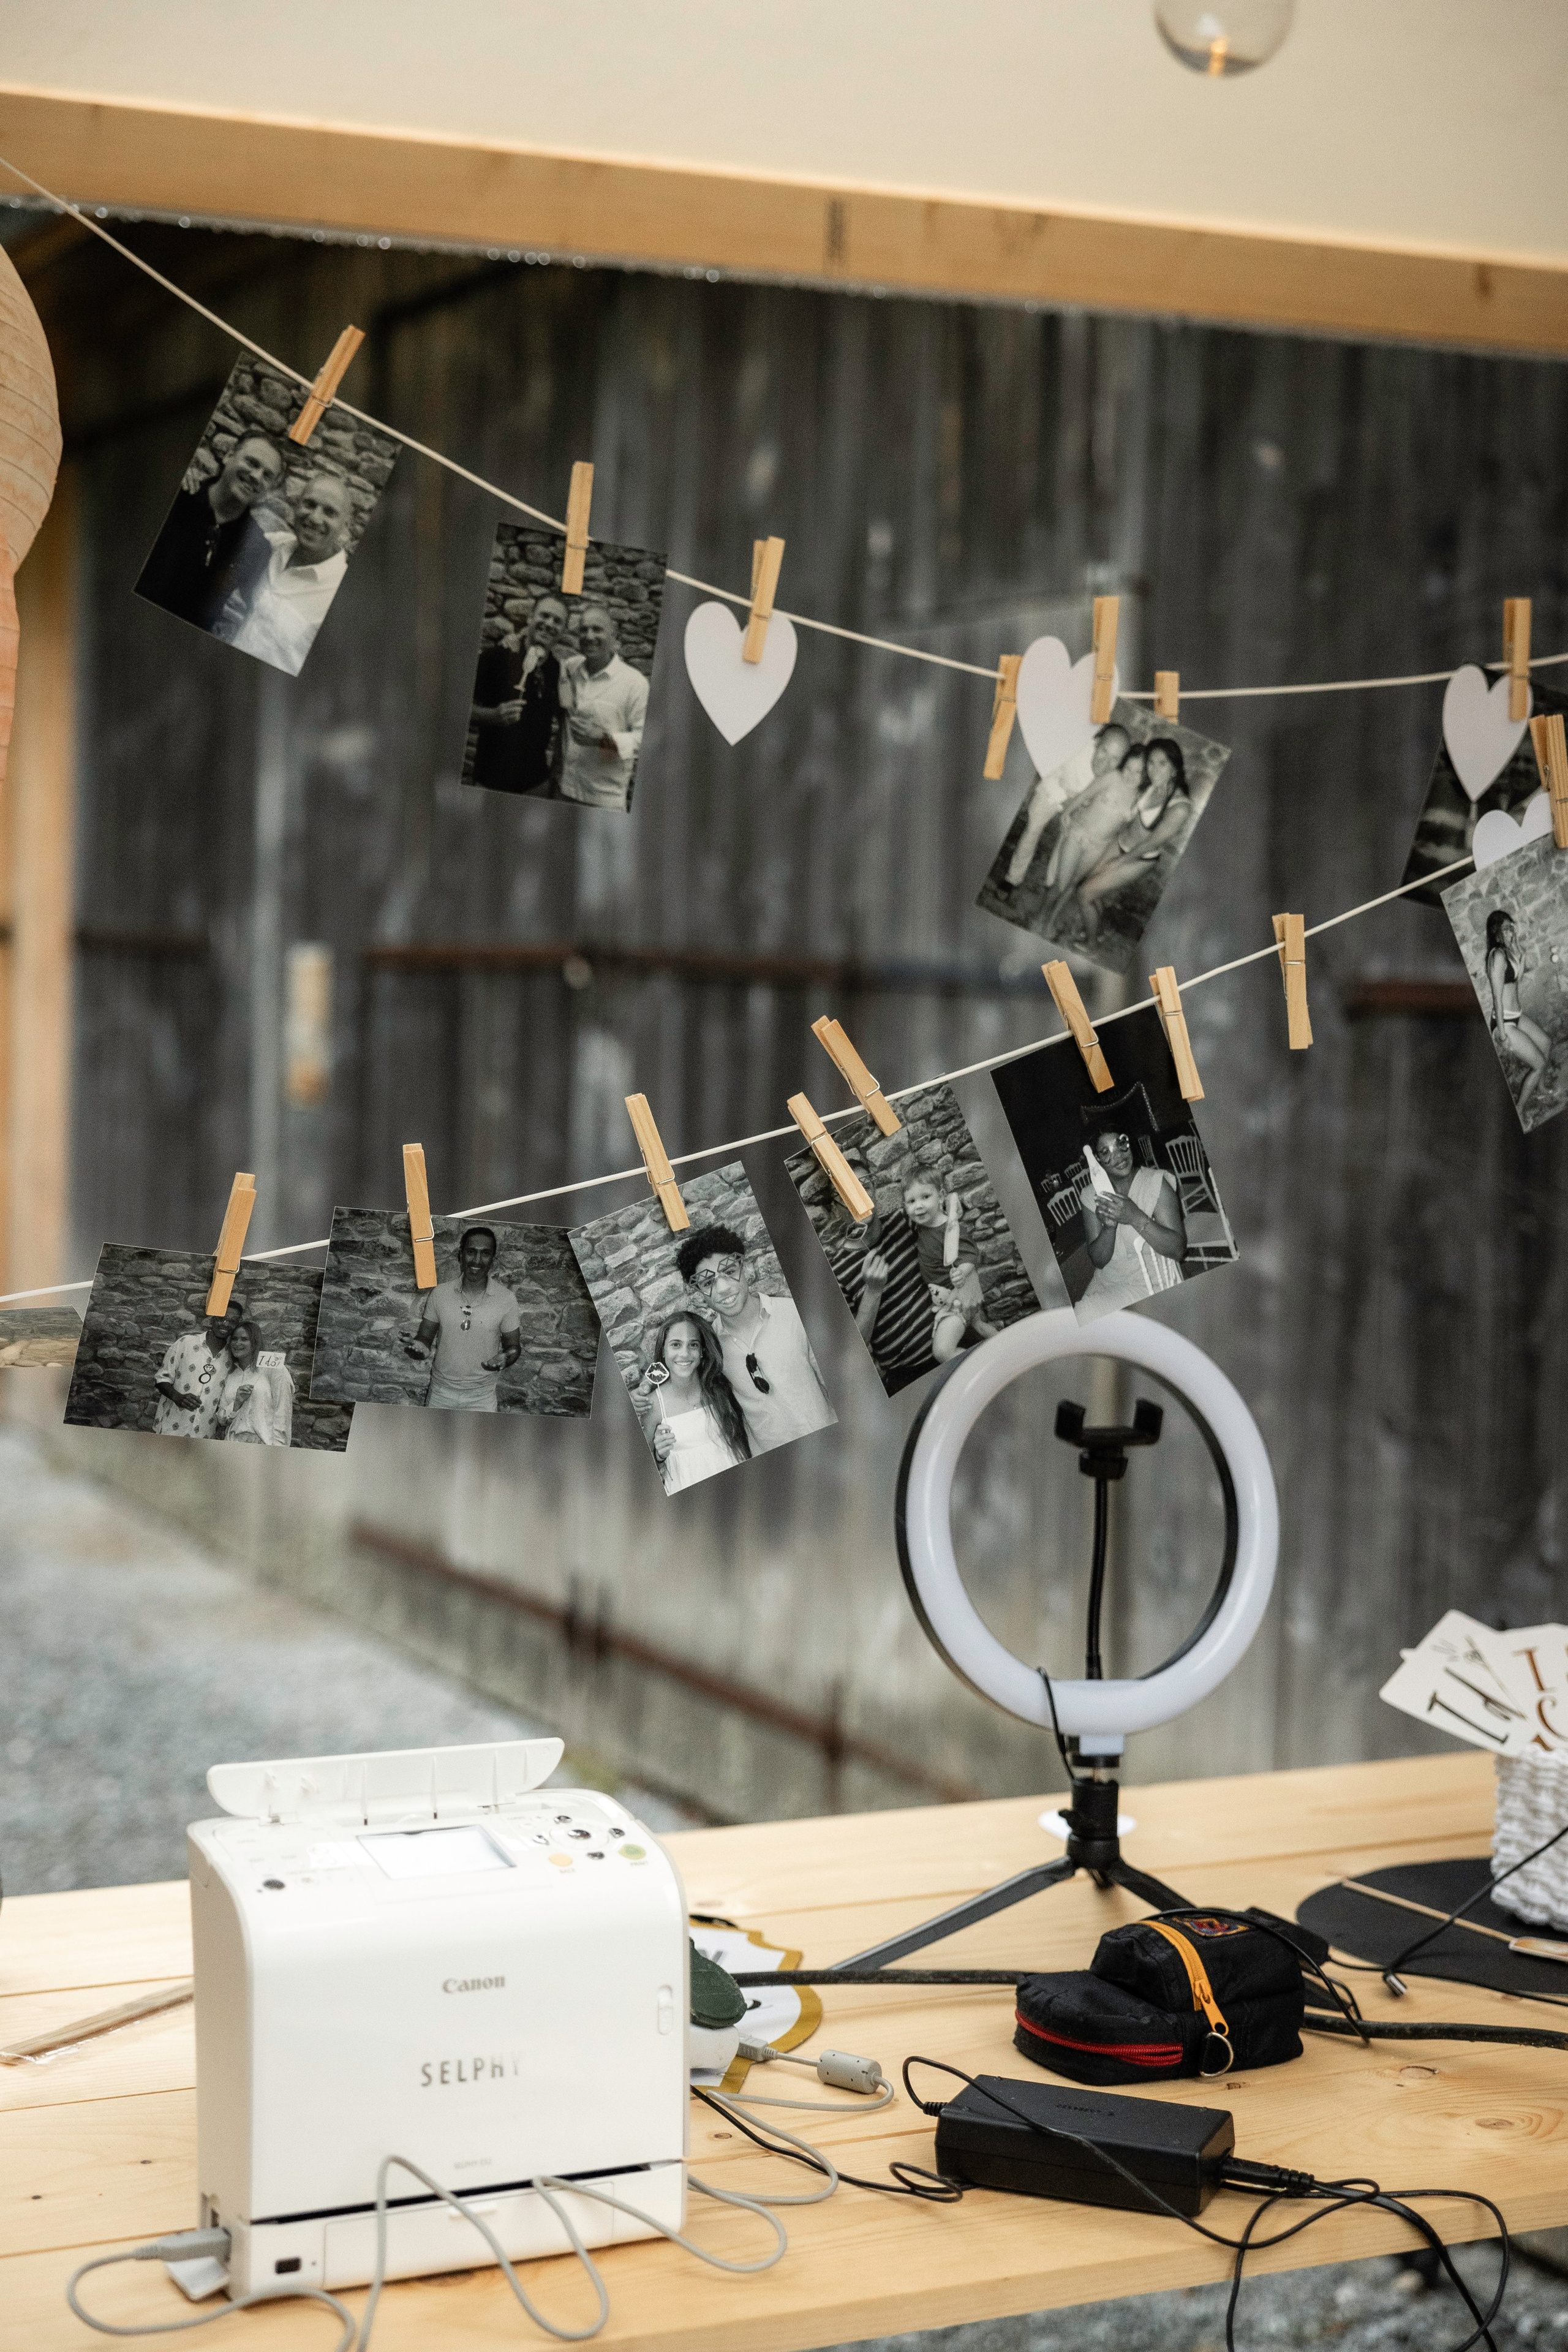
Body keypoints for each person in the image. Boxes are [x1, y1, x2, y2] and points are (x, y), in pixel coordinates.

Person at [674, 1224, 834, 1455]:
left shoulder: (794, 1314)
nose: (724, 1288)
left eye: (729, 1271)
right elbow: (693, 1400)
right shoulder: (710, 1349)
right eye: (708, 1282)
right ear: (698, 1291)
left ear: (745, 1266)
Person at [807, 1143, 938, 1394]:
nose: (858, 1199)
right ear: (835, 1208)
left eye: (863, 1186)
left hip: (956, 1342)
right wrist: (873, 1292)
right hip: (908, 1379)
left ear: (875, 1190)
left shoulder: (906, 1222)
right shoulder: (836, 1273)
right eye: (845, 1194)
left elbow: (950, 1240)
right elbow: (852, 1349)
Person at [135, 431, 284, 632]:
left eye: (268, 476)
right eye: (252, 463)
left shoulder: (257, 547)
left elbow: (247, 617)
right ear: (229, 456)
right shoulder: (178, 498)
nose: (256, 477)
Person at [222, 471, 355, 674]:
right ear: (296, 506)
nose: (315, 517)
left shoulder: (344, 596)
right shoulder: (271, 545)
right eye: (309, 504)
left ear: (345, 525)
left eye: (329, 512)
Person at [1072, 737, 1194, 944]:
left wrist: (1120, 862)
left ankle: (1092, 946)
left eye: (1162, 764)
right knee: (1094, 891)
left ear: (1175, 769)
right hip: (1119, 843)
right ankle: (1098, 931)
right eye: (1151, 763)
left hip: (1139, 859)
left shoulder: (1180, 807)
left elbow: (1151, 843)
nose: (1154, 769)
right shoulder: (1152, 785)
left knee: (1085, 894)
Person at [1001, 722, 1131, 897]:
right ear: (1097, 743)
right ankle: (1013, 878)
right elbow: (1052, 769)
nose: (1106, 762)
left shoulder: (1117, 776)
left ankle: (1050, 884)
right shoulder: (1077, 748)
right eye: (1104, 751)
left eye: (1115, 759)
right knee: (1032, 829)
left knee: (1069, 839)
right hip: (1053, 792)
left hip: (1078, 809)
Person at [403, 1226, 522, 1411]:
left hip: (482, 1397)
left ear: (493, 1260)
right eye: (471, 1252)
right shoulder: (440, 1293)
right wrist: (420, 1349)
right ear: (461, 1255)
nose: (477, 1260)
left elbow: (514, 1347)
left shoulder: (506, 1299)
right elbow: (425, 1339)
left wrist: (506, 1358)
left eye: (485, 1254)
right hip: (440, 1393)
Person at [1037, 742, 1148, 936]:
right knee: (1061, 884)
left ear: (1145, 776)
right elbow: (1086, 794)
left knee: (1072, 886)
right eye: (1129, 768)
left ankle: (1051, 921)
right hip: (1078, 834)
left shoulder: (1139, 799)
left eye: (1138, 773)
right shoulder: (1113, 778)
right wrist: (1069, 812)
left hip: (1098, 847)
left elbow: (1127, 828)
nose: (1130, 775)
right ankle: (1041, 916)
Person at [467, 592, 571, 794]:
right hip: (490, 781)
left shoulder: (559, 672)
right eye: (545, 616)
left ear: (563, 631)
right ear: (531, 618)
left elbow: (564, 725)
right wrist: (493, 716)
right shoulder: (496, 657)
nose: (549, 624)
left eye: (557, 621)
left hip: (536, 785)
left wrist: (555, 776)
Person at [1076, 1129, 1187, 1312]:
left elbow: (1178, 1251)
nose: (1119, 1156)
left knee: (1085, 1314)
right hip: (1107, 1282)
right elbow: (1099, 1261)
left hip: (1148, 1282)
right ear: (1096, 1159)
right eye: (1106, 1152)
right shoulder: (1090, 1195)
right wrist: (1109, 1228)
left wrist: (1135, 1216)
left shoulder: (1155, 1183)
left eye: (1121, 1145)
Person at [644, 1313, 750, 1493]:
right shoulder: (653, 1405)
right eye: (676, 1345)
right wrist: (660, 1455)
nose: (684, 1354)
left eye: (693, 1345)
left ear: (702, 1352)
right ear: (663, 1351)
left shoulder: (720, 1389)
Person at [556, 605, 649, 810]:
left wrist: (603, 738)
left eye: (597, 629)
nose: (589, 636)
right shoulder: (571, 668)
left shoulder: (635, 683)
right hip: (565, 791)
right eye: (584, 630)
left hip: (604, 801)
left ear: (614, 636)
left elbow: (645, 740)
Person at [902, 1174, 1000, 1360]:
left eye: (925, 1197)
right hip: (947, 1296)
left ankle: (984, 1366)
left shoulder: (949, 1228)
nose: (919, 1206)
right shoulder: (922, 1227)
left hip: (959, 1295)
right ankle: (1005, 1349)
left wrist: (961, 1273)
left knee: (943, 1351)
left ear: (941, 1196)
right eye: (911, 1201)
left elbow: (971, 1254)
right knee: (979, 1326)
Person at [1485, 908, 1551, 1114]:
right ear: (1497, 932)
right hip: (1504, 1022)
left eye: (1512, 927)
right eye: (1506, 929)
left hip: (1516, 1015)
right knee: (1539, 1064)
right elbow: (1497, 996)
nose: (1511, 932)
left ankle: (1539, 1087)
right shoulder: (1496, 956)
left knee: (1547, 1043)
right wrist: (1503, 1035)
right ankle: (1521, 1109)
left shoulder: (1509, 951)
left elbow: (1517, 980)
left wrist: (1519, 952)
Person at [153, 1294, 244, 1438]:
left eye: (232, 1321)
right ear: (213, 1318)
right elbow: (161, 1378)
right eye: (222, 1318)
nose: (226, 1324)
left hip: (204, 1434)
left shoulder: (233, 1358)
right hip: (172, 1427)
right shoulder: (186, 1343)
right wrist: (177, 1397)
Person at [215, 1320, 295, 1446]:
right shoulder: (231, 1374)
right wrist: (237, 1403)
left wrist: (279, 1450)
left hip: (263, 1444)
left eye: (244, 1339)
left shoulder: (274, 1368)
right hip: (232, 1442)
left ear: (255, 1343)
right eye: (234, 1339)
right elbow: (221, 1419)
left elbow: (283, 1413)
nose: (237, 1343)